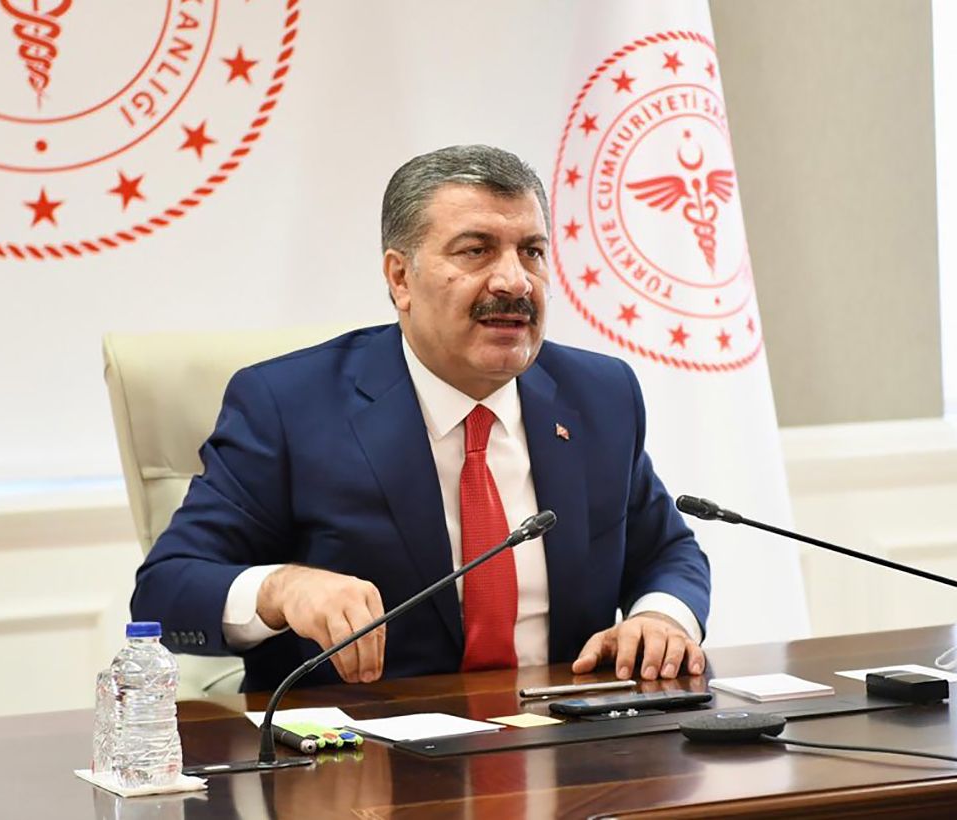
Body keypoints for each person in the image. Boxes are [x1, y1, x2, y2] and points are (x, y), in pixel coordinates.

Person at [130, 145, 711, 691]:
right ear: (400, 278)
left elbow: (667, 552)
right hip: (369, 745)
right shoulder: (288, 405)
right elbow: (165, 590)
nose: (514, 281)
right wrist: (281, 588)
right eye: (476, 250)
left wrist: (660, 618)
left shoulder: (599, 394)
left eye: (532, 252)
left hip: (572, 735)